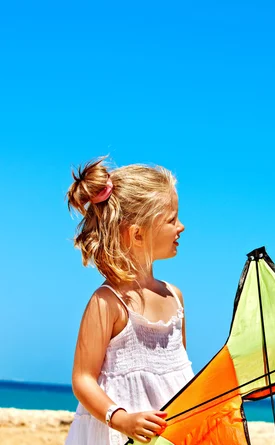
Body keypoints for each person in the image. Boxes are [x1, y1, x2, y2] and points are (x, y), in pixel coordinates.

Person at [64, 157, 193, 445]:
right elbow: (83, 378)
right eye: (172, 219)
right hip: (117, 434)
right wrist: (122, 419)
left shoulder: (175, 298)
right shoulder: (107, 302)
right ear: (137, 234)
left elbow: (181, 378)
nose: (181, 226)